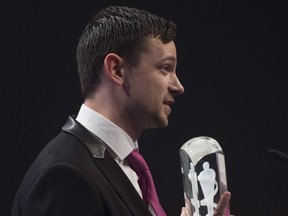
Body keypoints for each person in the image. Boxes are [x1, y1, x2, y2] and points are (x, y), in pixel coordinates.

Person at [11, 5, 231, 216]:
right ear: (116, 70)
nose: (178, 86)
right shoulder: (65, 175)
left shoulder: (117, 163)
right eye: (165, 68)